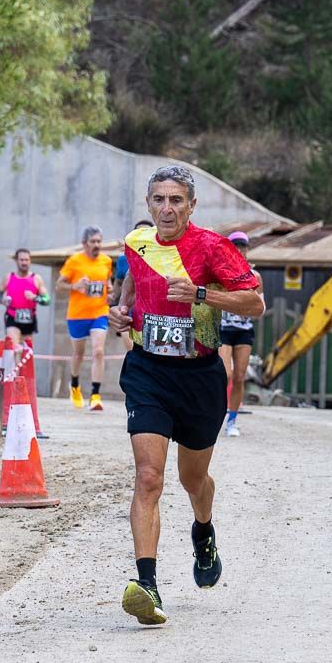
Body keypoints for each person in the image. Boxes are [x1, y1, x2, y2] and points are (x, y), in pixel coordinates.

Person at [109, 165, 264, 626]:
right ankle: (147, 584)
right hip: (147, 371)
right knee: (149, 476)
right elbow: (129, 298)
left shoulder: (212, 247)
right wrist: (119, 315)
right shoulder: (136, 246)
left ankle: (203, 530)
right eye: (159, 199)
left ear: (191, 206)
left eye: (176, 200)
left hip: (199, 377)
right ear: (149, 204)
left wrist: (201, 294)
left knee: (193, 480)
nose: (167, 208)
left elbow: (255, 302)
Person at [57, 226, 112, 412]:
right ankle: (75, 385)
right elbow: (59, 285)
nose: (97, 245)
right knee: (78, 354)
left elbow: (107, 282)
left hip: (99, 312)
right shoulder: (74, 261)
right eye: (93, 242)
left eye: (99, 241)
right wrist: (75, 286)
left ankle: (95, 395)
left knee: (98, 351)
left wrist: (110, 290)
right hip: (77, 315)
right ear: (84, 244)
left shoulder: (106, 261)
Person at [218, 232, 264, 438]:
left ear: (247, 249)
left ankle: (232, 420)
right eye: (235, 245)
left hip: (244, 330)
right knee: (225, 374)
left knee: (239, 377)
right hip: (224, 328)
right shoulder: (220, 272)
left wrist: (246, 307)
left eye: (242, 246)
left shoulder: (255, 276)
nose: (239, 249)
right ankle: (214, 414)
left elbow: (261, 307)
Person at [111, 220, 153, 353]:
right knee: (132, 350)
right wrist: (114, 302)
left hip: (153, 313)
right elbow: (118, 282)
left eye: (146, 232)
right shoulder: (123, 259)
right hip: (130, 311)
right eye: (139, 232)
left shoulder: (162, 258)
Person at [0, 249, 50, 350]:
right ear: (16, 261)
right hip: (12, 317)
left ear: (30, 261)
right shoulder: (9, 277)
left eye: (26, 260)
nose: (24, 262)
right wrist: (2, 300)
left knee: (27, 352)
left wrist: (35, 297)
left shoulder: (36, 279)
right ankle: (13, 365)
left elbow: (47, 300)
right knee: (14, 348)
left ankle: (20, 365)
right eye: (21, 260)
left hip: (29, 319)